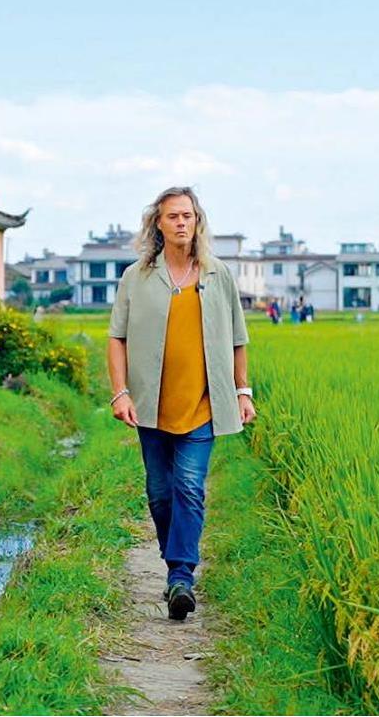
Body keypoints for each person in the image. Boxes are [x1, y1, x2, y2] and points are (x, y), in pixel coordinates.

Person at [107, 187, 254, 622]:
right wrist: (120, 392)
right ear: (158, 223)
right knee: (160, 493)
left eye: (187, 215)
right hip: (151, 405)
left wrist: (242, 391)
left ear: (197, 221)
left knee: (189, 487)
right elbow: (117, 337)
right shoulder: (136, 277)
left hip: (203, 404)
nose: (181, 223)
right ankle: (175, 566)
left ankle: (181, 577)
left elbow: (238, 339)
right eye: (172, 216)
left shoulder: (217, 274)